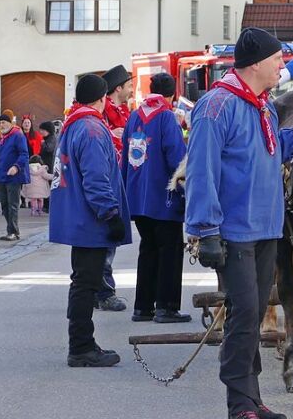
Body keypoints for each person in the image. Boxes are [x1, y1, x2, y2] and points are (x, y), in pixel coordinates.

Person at [185, 27, 293, 419]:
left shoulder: (263, 106)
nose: (283, 65)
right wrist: (204, 229)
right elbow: (201, 169)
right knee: (246, 313)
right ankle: (239, 405)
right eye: (277, 60)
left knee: (250, 313)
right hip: (231, 231)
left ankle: (251, 399)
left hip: (267, 228)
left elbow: (273, 150)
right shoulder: (217, 105)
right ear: (255, 64)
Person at [49, 73, 132, 367]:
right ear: (101, 98)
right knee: (86, 284)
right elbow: (96, 179)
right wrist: (111, 214)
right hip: (91, 220)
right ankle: (81, 346)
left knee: (82, 282)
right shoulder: (92, 129)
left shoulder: (74, 124)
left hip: (79, 218)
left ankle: (82, 342)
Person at [122, 72, 189, 324]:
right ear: (171, 94)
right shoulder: (166, 117)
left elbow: (125, 158)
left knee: (147, 248)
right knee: (170, 250)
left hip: (138, 197)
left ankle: (143, 307)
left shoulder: (134, 116)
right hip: (163, 196)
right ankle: (166, 306)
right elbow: (177, 159)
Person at [96, 63, 133, 313]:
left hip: (117, 181)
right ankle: (103, 291)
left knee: (109, 241)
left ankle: (100, 290)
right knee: (104, 240)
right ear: (117, 88)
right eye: (129, 86)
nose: (132, 90)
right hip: (106, 183)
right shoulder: (104, 114)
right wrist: (114, 134)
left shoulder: (121, 111)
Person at [0, 113, 30, 242]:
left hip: (14, 176)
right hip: (2, 176)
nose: (1, 125)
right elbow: (0, 157)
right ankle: (10, 229)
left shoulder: (17, 136)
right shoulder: (1, 138)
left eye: (3, 122)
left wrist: (16, 167)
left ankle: (13, 232)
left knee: (13, 205)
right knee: (4, 205)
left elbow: (24, 154)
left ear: (10, 123)